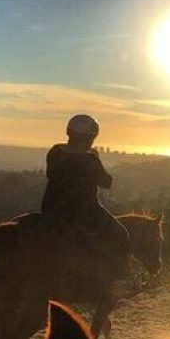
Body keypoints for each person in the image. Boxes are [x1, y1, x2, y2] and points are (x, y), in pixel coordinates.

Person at [41, 114, 129, 266]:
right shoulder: (91, 160)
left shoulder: (55, 151)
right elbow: (106, 183)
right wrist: (96, 158)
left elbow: (50, 174)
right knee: (121, 235)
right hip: (84, 211)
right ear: (90, 138)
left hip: (51, 208)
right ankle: (112, 274)